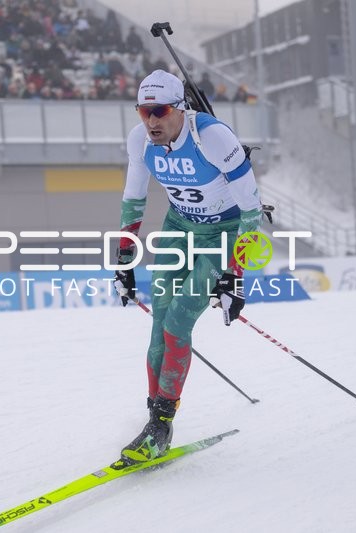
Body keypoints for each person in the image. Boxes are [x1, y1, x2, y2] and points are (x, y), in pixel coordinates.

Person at [113, 70, 263, 463]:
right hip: (180, 228)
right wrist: (124, 263)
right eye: (144, 112)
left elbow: (251, 211)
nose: (151, 121)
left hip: (226, 233)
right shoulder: (139, 140)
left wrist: (236, 277)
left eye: (159, 111)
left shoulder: (212, 137)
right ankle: (155, 423)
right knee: (159, 323)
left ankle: (162, 421)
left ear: (180, 109)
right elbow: (134, 202)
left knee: (178, 321)